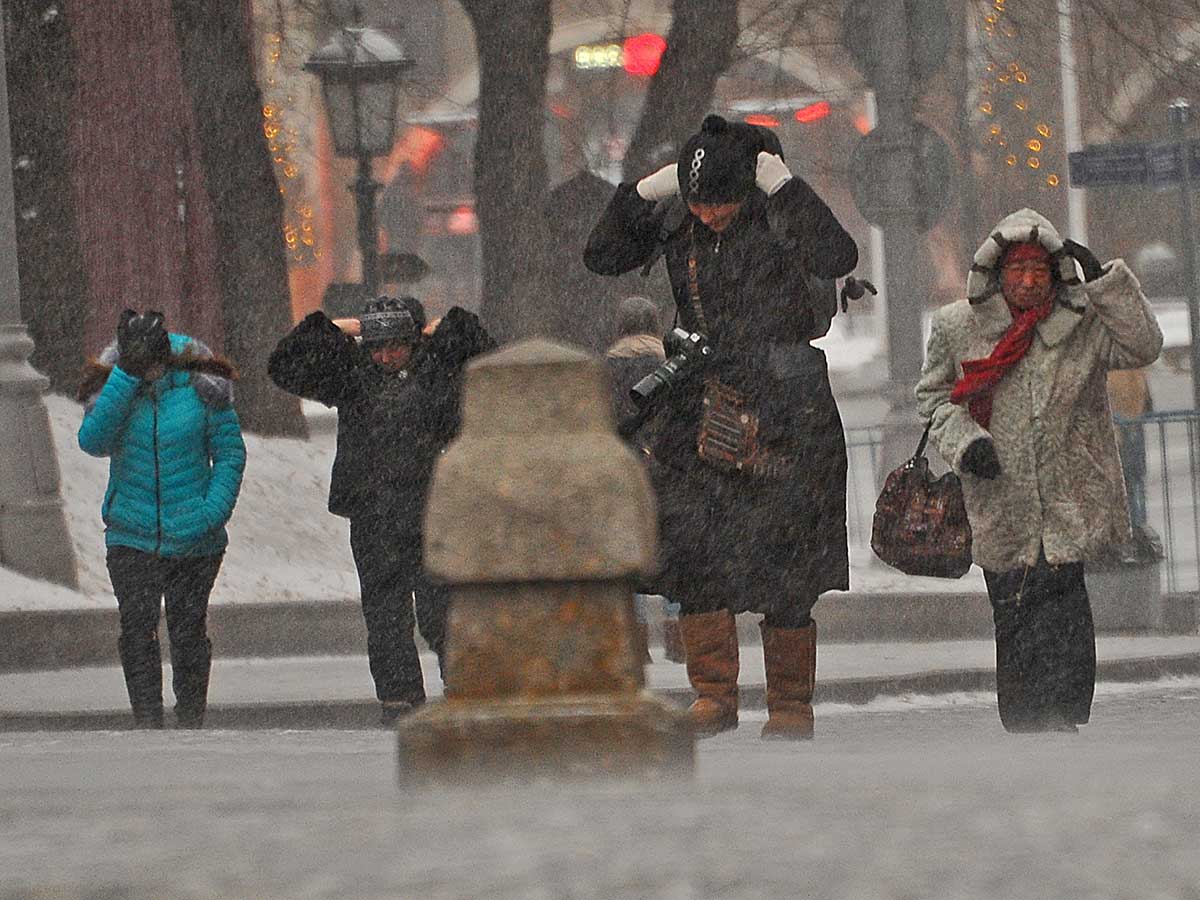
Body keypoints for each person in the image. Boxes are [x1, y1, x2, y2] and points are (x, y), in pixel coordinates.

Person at [584, 114, 859, 739]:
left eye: (722, 204)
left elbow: (837, 254)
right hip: (700, 395)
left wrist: (781, 183)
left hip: (787, 402)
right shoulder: (680, 217)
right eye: (699, 203)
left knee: (790, 562)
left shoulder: (780, 215)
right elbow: (601, 256)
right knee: (692, 549)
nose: (709, 215)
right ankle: (714, 695)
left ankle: (790, 706)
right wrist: (645, 190)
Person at [916, 208, 1163, 733]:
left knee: (1067, 619)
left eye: (1039, 270)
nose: (1028, 281)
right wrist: (965, 445)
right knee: (1016, 618)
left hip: (1068, 498)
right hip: (1000, 499)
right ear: (995, 272)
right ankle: (1028, 727)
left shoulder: (1081, 324)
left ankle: (1063, 722)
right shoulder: (958, 326)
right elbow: (935, 400)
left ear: (1056, 273)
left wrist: (1107, 285)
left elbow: (1144, 345)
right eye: (1016, 270)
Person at [268, 297, 493, 725]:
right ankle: (399, 697)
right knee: (385, 615)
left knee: (440, 607)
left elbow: (484, 352)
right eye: (376, 347)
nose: (385, 357)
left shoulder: (439, 370)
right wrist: (339, 328)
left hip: (434, 511)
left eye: (396, 346)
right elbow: (283, 366)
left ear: (413, 342)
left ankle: (460, 684)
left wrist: (444, 326)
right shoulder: (351, 376)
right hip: (374, 516)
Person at [78, 310, 246, 728]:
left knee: (188, 631)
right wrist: (126, 377)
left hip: (195, 539)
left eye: (152, 360)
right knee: (137, 629)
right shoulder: (117, 389)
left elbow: (229, 454)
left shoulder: (201, 389)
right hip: (130, 535)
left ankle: (190, 717)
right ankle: (147, 719)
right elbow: (93, 441)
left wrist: (210, 513)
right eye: (139, 361)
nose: (149, 368)